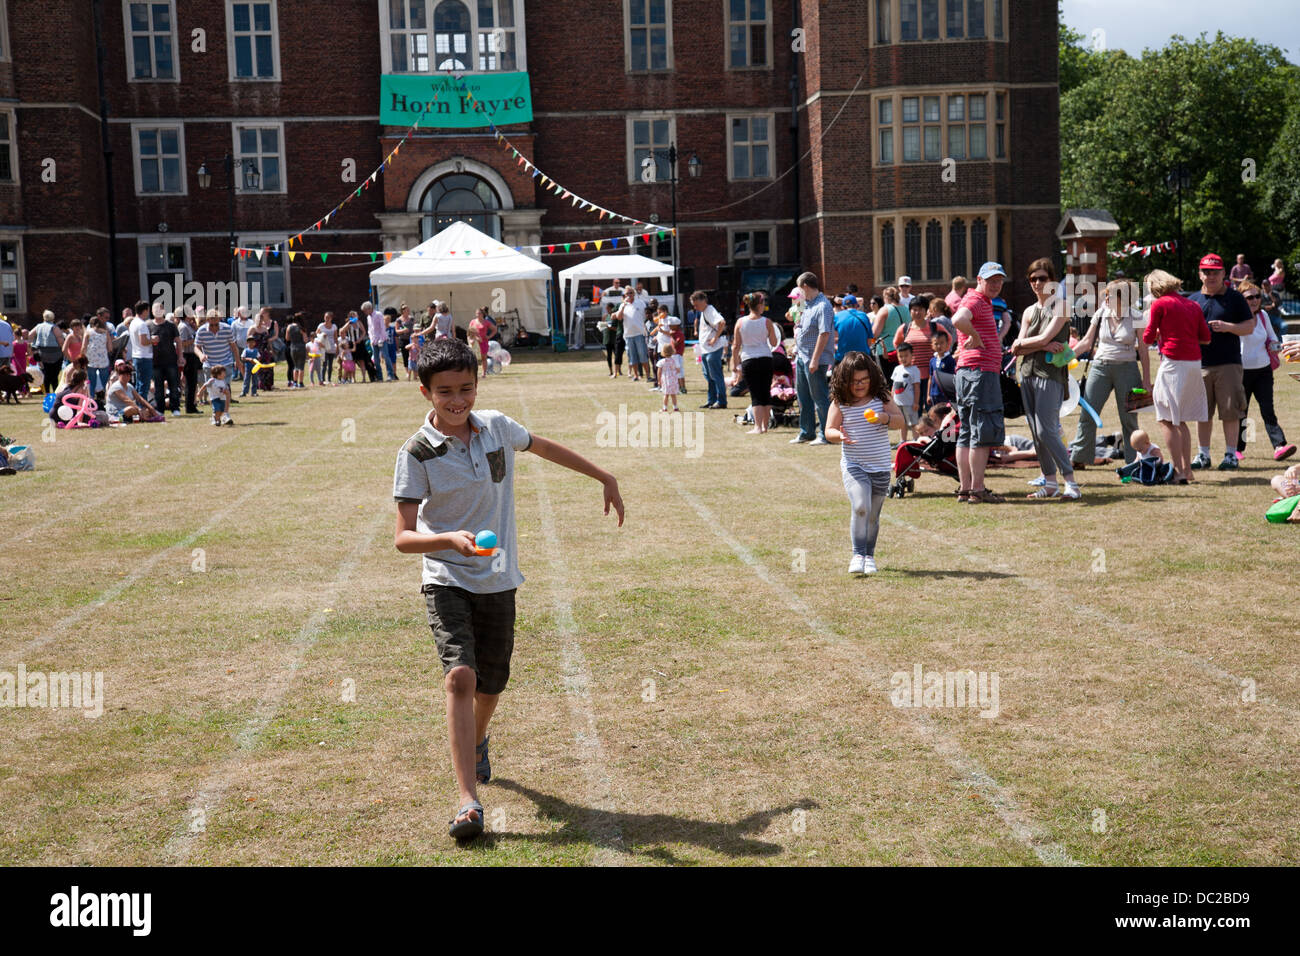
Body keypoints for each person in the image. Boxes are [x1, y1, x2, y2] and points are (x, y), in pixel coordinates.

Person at [393, 337, 624, 842]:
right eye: (445, 391)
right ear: (424, 392)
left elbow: (542, 446)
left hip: (498, 577)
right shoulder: (416, 453)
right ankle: (467, 801)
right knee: (460, 678)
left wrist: (602, 474)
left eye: (467, 388)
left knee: (492, 682)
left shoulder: (497, 427)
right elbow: (403, 538)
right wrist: (448, 539)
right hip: (446, 577)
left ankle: (478, 740)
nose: (458, 400)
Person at [824, 351, 901, 576]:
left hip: (880, 466)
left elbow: (900, 422)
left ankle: (869, 556)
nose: (859, 385)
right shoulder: (841, 401)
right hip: (854, 464)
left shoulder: (882, 398)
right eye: (854, 381)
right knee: (860, 507)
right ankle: (857, 554)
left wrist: (884, 418)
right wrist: (840, 436)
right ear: (844, 380)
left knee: (873, 515)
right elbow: (829, 430)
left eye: (864, 380)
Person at [1011, 257, 1080, 500]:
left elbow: (1028, 342)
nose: (1037, 283)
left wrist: (1029, 344)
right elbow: (1018, 348)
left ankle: (1071, 482)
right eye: (1033, 278)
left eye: (1042, 278)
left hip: (1050, 375)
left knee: (1047, 431)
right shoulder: (1030, 310)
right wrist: (1037, 345)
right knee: (1035, 431)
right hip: (1027, 373)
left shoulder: (1060, 306)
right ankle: (1050, 483)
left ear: (1052, 280)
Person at [1068, 278, 1152, 468]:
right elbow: (1086, 343)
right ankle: (1079, 458)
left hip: (1128, 368)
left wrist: (1147, 380)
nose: (1106, 298)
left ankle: (1134, 461)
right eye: (1106, 294)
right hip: (1100, 367)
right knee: (1087, 414)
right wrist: (1065, 360)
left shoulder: (1137, 317)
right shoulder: (1101, 313)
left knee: (1129, 419)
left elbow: (1144, 351)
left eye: (1110, 294)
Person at [1142, 269, 1212, 484]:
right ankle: (1187, 470)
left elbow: (1147, 337)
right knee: (1180, 420)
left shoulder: (1160, 304)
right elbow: (1206, 338)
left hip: (1172, 364)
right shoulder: (1193, 305)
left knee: (1165, 418)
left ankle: (1179, 472)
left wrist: (1161, 334)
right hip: (1193, 364)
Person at [1187, 253, 1253, 471]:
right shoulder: (1193, 300)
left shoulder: (1235, 298)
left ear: (1224, 273)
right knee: (1201, 413)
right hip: (1200, 365)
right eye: (1206, 272)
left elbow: (1249, 326)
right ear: (1200, 274)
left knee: (1230, 412)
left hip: (1228, 364)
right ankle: (1203, 455)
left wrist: (1228, 327)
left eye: (1215, 272)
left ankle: (1230, 455)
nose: (1210, 276)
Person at [951, 262, 1009, 504]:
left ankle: (966, 489)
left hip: (968, 372)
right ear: (979, 279)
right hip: (979, 374)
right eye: (991, 280)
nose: (995, 285)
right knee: (980, 432)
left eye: (999, 281)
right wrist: (974, 336)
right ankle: (977, 490)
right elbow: (958, 319)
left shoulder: (981, 301)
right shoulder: (975, 299)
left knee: (966, 431)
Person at [1235, 282, 1295, 461]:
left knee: (1268, 410)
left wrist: (1278, 346)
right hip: (1241, 372)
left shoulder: (1263, 315)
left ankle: (1279, 446)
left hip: (1263, 371)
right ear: (1241, 299)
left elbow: (1272, 338)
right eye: (1249, 297)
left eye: (1257, 296)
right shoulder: (1235, 318)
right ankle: (1237, 450)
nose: (1254, 300)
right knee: (1241, 412)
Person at [790, 271, 834, 445]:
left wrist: (815, 359)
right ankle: (806, 431)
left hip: (815, 359)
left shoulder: (823, 306)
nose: (798, 292)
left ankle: (826, 433)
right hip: (802, 356)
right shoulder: (807, 304)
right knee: (803, 396)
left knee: (819, 396)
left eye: (799, 288)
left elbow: (824, 334)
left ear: (806, 287)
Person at [731, 291, 781, 434]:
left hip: (749, 359)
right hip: (765, 358)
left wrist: (735, 364)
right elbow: (773, 342)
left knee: (755, 394)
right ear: (760, 304)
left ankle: (757, 427)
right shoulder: (767, 322)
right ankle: (765, 426)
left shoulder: (740, 322)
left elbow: (736, 345)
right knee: (765, 392)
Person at [893, 294, 934, 404]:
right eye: (914, 310)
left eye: (920, 309)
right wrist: (905, 359)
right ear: (910, 311)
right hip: (910, 375)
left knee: (931, 407)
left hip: (931, 374)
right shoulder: (904, 328)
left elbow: (947, 339)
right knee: (914, 408)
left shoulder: (934, 327)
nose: (917, 313)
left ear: (926, 311)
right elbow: (897, 344)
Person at [692, 291, 728, 409]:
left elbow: (722, 322)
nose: (695, 307)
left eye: (696, 304)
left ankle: (721, 401)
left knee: (716, 376)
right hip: (706, 349)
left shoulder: (710, 310)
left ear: (703, 301)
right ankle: (712, 400)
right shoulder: (704, 312)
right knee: (709, 376)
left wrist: (714, 338)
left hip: (713, 349)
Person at [195, 308, 241, 388]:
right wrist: (201, 355)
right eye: (211, 325)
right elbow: (196, 347)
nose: (214, 327)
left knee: (224, 387)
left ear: (219, 320)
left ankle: (225, 400)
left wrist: (237, 360)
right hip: (209, 364)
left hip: (225, 362)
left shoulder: (227, 328)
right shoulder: (201, 331)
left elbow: (233, 346)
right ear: (207, 320)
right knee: (212, 388)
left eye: (216, 324)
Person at [150, 310, 182, 416]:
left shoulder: (171, 325)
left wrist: (180, 356)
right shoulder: (148, 325)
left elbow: (178, 341)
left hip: (171, 360)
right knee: (158, 387)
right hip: (155, 362)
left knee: (173, 386)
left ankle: (175, 408)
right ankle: (160, 409)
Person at [872, 286, 907, 381]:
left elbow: (875, 333)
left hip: (886, 350)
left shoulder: (884, 310)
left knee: (887, 381)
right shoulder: (906, 309)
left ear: (885, 297)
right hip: (903, 348)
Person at [890, 342, 922, 442]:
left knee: (913, 423)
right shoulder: (897, 369)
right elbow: (894, 385)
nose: (903, 358)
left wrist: (916, 402)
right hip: (898, 403)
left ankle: (916, 440)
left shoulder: (914, 370)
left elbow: (917, 387)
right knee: (902, 423)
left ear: (912, 355)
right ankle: (902, 441)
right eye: (901, 356)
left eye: (906, 356)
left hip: (910, 403)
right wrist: (892, 400)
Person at [29, 309, 66, 395]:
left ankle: (47, 393)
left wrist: (34, 345)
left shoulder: (38, 326)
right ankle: (55, 392)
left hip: (42, 353)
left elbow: (30, 335)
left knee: (46, 374)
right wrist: (64, 350)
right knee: (54, 375)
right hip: (55, 354)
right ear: (53, 318)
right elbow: (60, 341)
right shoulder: (54, 327)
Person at [833, 294, 874, 365]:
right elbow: (869, 340)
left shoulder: (837, 316)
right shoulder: (864, 316)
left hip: (843, 358)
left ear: (843, 307)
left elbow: (831, 338)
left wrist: (836, 348)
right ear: (856, 306)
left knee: (835, 375)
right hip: (862, 358)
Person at [619, 288, 650, 383]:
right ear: (624, 295)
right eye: (627, 293)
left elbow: (645, 316)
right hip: (628, 335)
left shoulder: (640, 303)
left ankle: (648, 375)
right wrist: (624, 306)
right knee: (632, 357)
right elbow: (619, 318)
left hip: (639, 333)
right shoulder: (623, 305)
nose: (629, 295)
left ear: (634, 294)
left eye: (631, 293)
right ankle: (636, 375)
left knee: (643, 355)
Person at [83, 314, 112, 398]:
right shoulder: (106, 333)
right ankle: (108, 400)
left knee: (91, 383)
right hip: (103, 361)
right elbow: (110, 348)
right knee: (106, 383)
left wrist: (82, 357)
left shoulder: (87, 332)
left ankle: (91, 401)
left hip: (91, 360)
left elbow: (83, 347)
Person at [178, 310, 202, 414]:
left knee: (193, 382)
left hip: (193, 356)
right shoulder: (183, 327)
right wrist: (195, 339)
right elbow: (182, 343)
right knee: (190, 382)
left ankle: (192, 405)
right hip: (188, 355)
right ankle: (189, 407)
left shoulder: (189, 325)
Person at [469, 308, 497, 378]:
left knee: (483, 358)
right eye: (477, 313)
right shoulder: (473, 322)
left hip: (483, 342)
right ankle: (474, 373)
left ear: (482, 314)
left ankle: (484, 373)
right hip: (475, 343)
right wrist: (470, 340)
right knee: (474, 358)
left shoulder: (486, 322)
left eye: (479, 313)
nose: (478, 315)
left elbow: (494, 329)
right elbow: (469, 332)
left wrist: (489, 336)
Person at [284, 312, 308, 389]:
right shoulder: (301, 328)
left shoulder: (289, 327)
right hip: (301, 347)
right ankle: (300, 383)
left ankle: (295, 382)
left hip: (293, 347)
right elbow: (305, 340)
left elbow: (287, 338)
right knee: (301, 366)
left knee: (295, 366)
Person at [600, 302, 624, 378]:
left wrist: (611, 328)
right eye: (606, 309)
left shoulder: (615, 316)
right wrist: (601, 326)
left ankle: (619, 370)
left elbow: (618, 328)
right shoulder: (605, 316)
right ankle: (611, 371)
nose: (607, 310)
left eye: (608, 309)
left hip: (615, 338)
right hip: (607, 338)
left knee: (617, 355)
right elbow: (602, 326)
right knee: (609, 356)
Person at [656, 342, 680, 412]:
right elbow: (678, 370)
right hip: (673, 380)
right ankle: (675, 407)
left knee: (666, 395)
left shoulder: (661, 362)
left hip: (666, 380)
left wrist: (659, 380)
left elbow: (659, 372)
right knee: (673, 394)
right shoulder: (674, 360)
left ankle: (664, 408)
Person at [316, 311, 339, 384]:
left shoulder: (334, 326)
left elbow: (335, 337)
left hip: (331, 346)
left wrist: (337, 347)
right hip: (323, 347)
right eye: (325, 317)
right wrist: (322, 335)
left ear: (331, 318)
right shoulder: (321, 326)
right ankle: (322, 379)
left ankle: (329, 379)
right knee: (324, 364)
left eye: (328, 318)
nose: (326, 319)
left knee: (330, 364)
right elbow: (316, 335)